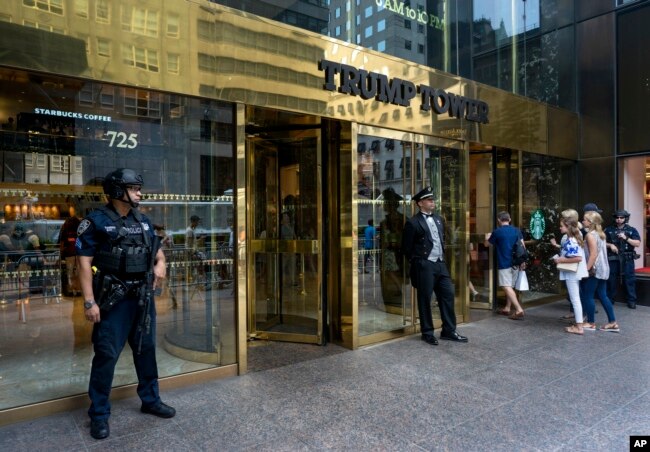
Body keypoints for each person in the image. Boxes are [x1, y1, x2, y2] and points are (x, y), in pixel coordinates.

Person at [76, 169, 175, 440]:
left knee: (146, 350)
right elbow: (83, 264)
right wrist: (89, 302)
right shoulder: (95, 222)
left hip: (141, 298)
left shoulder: (141, 220)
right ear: (118, 191)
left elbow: (156, 250)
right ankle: (98, 414)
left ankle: (151, 400)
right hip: (112, 301)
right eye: (134, 188)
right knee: (107, 354)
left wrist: (161, 263)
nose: (139, 193)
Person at [401, 186, 468, 345]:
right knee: (425, 299)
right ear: (420, 203)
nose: (433, 202)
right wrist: (419, 262)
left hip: (440, 263)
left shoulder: (438, 219)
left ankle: (449, 330)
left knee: (448, 295)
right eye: (429, 200)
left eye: (433, 200)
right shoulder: (412, 222)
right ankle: (427, 332)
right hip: (424, 265)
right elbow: (406, 248)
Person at [581, 211, 619, 332]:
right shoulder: (600, 234)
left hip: (595, 269)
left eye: (585, 220)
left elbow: (593, 255)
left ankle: (591, 322)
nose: (583, 221)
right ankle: (612, 322)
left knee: (588, 295)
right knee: (603, 295)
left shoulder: (590, 235)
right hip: (603, 268)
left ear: (590, 222)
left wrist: (586, 269)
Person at [485, 211, 526, 320]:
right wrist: (523, 261)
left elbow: (487, 244)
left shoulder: (497, 232)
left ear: (499, 220)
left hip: (504, 262)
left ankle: (518, 309)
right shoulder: (517, 230)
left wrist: (487, 237)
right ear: (509, 219)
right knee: (511, 286)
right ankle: (507, 308)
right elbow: (523, 246)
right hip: (516, 263)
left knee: (505, 286)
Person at [552, 217, 588, 335]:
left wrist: (560, 260)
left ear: (568, 227)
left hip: (572, 273)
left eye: (562, 226)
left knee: (575, 299)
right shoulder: (574, 238)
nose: (560, 227)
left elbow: (577, 258)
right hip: (573, 273)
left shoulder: (571, 240)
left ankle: (579, 327)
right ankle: (579, 325)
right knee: (576, 299)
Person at [604, 209, 640, 309]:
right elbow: (601, 242)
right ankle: (610, 299)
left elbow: (637, 243)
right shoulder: (608, 229)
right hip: (613, 258)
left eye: (621, 217)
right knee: (611, 279)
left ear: (625, 218)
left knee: (629, 279)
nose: (619, 219)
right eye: (617, 217)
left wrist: (626, 238)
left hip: (627, 258)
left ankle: (631, 300)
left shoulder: (631, 230)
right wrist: (610, 245)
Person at [59, 212, 82, 296]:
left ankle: (71, 290)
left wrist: (61, 255)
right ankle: (78, 289)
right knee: (78, 272)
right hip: (79, 254)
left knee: (70, 272)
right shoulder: (80, 231)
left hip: (69, 254)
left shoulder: (65, 231)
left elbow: (61, 245)